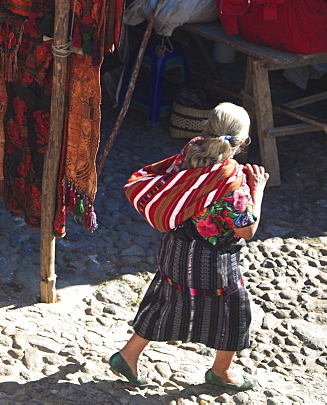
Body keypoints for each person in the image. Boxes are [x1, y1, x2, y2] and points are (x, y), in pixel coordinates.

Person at [110, 103, 267, 392]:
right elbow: (247, 229)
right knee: (234, 309)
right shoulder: (230, 180)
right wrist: (256, 191)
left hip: (176, 248)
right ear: (243, 142)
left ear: (206, 128)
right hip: (211, 259)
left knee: (167, 298)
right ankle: (222, 371)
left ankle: (127, 356)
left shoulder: (192, 151)